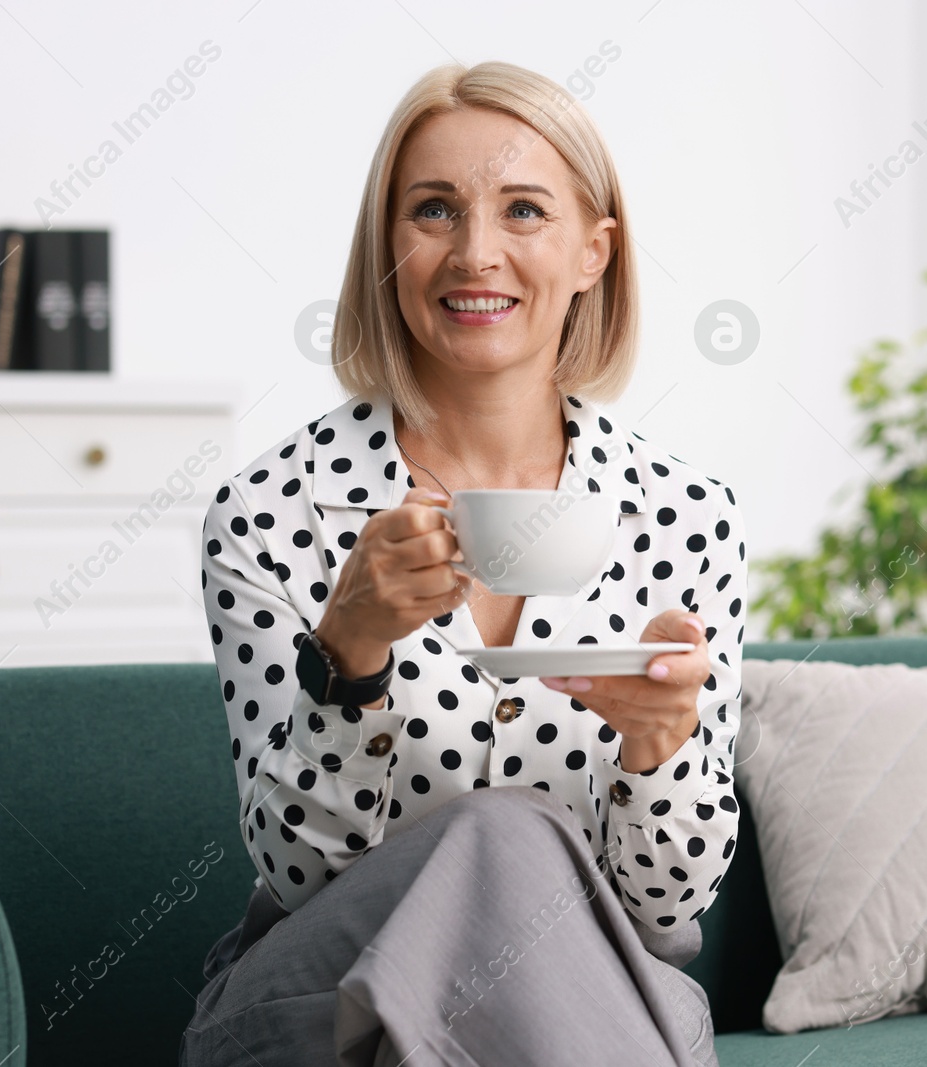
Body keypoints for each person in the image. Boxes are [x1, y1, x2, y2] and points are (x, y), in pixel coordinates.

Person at [181, 59, 747, 1067]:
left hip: (586, 1004)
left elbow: (668, 903)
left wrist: (656, 754)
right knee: (505, 832)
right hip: (318, 1007)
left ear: (592, 253)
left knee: (520, 854)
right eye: (433, 210)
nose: (475, 252)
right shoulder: (271, 511)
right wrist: (347, 653)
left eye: (523, 210)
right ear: (385, 249)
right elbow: (303, 875)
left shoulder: (687, 516)